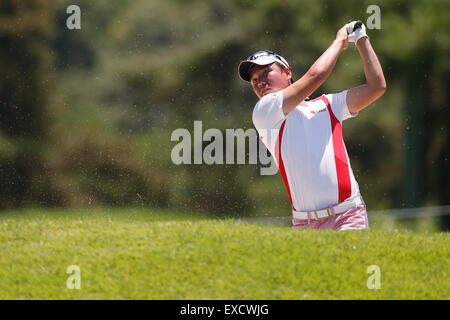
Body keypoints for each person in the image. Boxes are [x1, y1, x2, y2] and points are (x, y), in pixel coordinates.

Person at [237, 21, 386, 230]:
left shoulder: (328, 105)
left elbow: (376, 87)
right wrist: (340, 41)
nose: (259, 82)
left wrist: (361, 38)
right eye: (253, 80)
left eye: (265, 73)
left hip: (348, 216)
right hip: (304, 222)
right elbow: (317, 75)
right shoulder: (264, 111)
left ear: (287, 72)